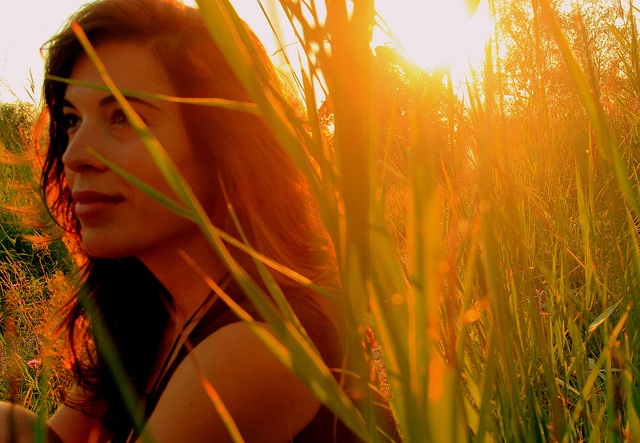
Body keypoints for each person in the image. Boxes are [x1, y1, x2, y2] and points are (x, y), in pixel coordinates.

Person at [0, 0, 398, 441]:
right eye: (72, 120)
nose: (75, 155)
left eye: (124, 117)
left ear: (224, 143)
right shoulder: (151, 313)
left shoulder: (256, 344)